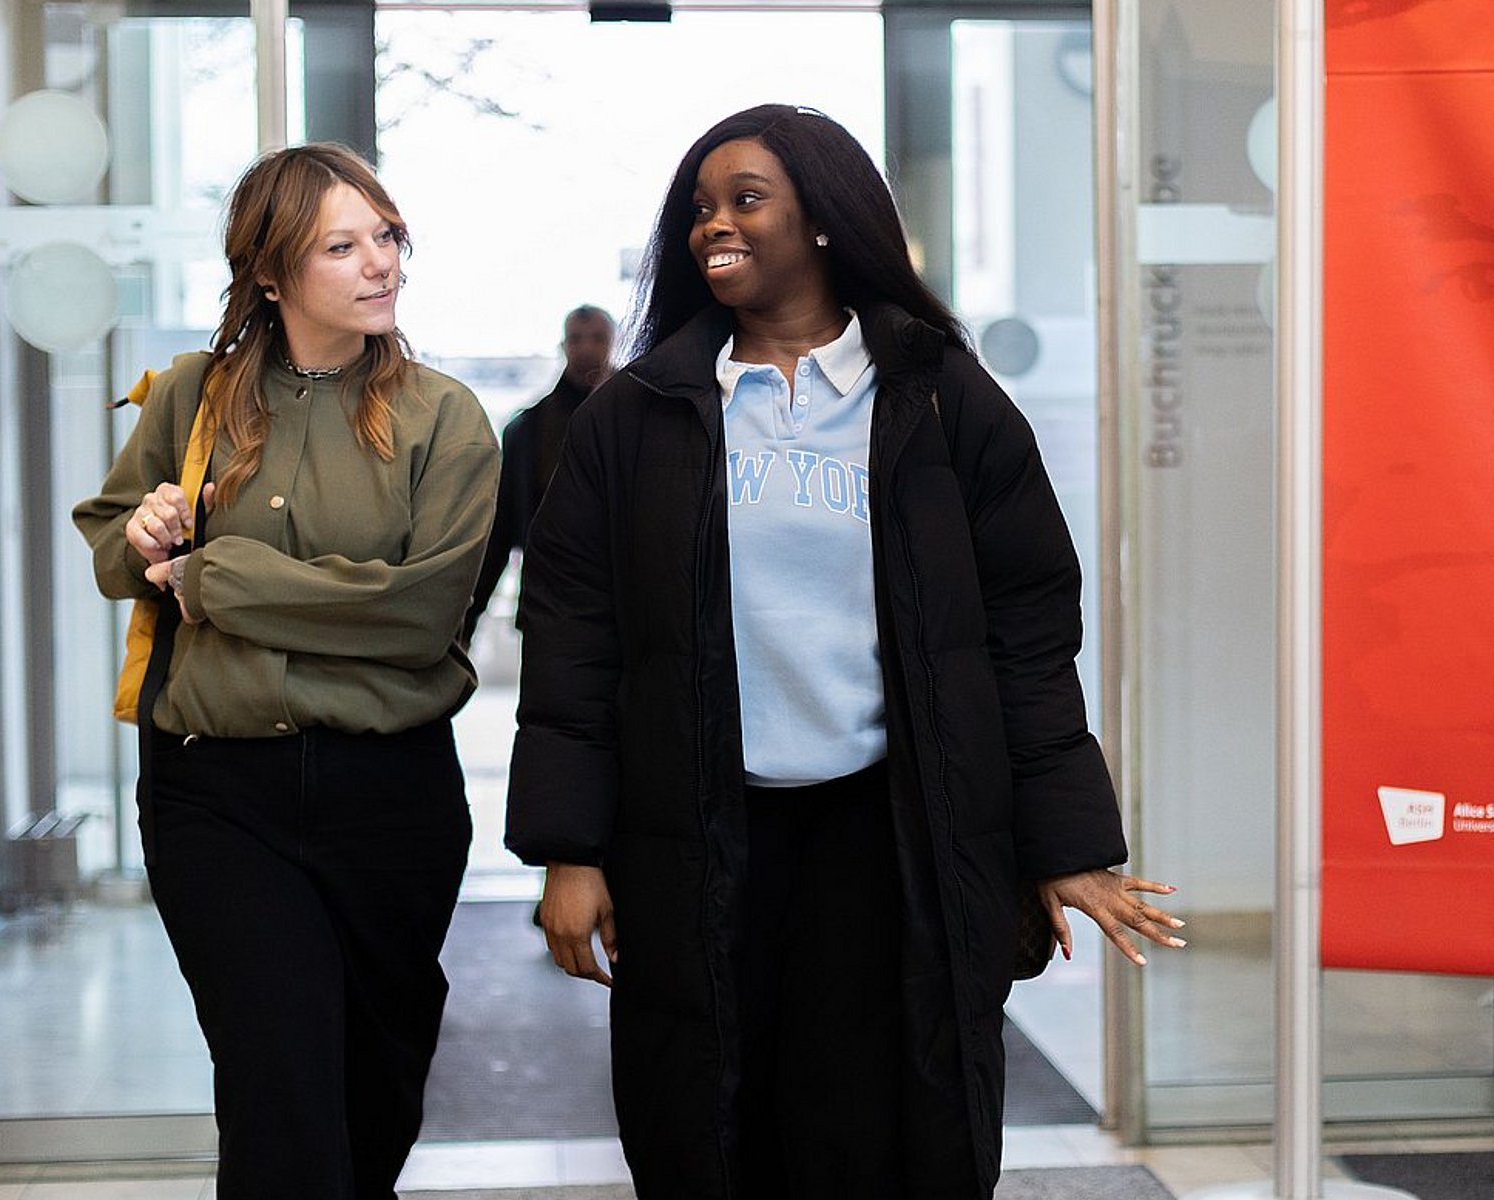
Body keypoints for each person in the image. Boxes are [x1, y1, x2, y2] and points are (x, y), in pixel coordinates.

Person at [504, 104, 1184, 1200]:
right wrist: (568, 850)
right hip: (696, 835)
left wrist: (1064, 841)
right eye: (699, 207)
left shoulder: (938, 397)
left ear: (823, 219)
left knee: (886, 1122)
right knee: (709, 1121)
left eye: (743, 199)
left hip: (891, 836)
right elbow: (574, 641)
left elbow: (1021, 634)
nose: (711, 226)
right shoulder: (639, 416)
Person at [70, 142, 497, 1200]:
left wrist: (214, 577)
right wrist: (144, 536)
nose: (379, 264)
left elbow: (419, 613)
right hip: (216, 791)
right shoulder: (191, 396)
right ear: (269, 273)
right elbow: (112, 546)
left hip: (389, 788)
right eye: (341, 246)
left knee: (377, 1082)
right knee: (278, 1091)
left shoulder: (446, 418)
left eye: (386, 236)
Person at [463, 304, 617, 638]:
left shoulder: (642, 418)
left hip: (624, 600)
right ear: (564, 346)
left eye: (597, 338)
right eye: (577, 338)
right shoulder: (528, 430)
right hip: (550, 599)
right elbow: (503, 525)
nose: (587, 348)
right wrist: (469, 617)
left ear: (612, 342)